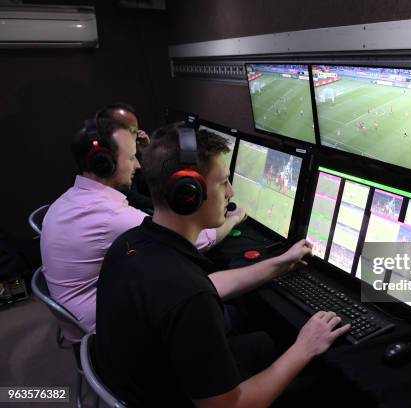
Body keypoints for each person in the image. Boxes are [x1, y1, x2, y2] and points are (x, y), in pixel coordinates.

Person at [95, 124, 350, 407]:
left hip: (144, 381)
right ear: (188, 193)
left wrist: (278, 264)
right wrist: (305, 347)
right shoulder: (188, 297)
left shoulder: (131, 243)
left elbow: (207, 285)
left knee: (264, 342)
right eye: (223, 182)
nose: (231, 191)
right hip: (177, 399)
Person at [40, 118, 246, 343]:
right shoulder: (112, 218)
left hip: (81, 316)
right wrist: (233, 220)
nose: (138, 165)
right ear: (104, 164)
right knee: (233, 314)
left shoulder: (68, 199)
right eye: (131, 157)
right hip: (101, 333)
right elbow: (199, 240)